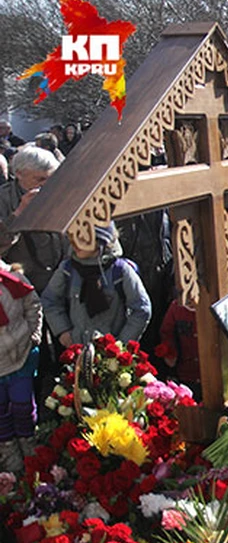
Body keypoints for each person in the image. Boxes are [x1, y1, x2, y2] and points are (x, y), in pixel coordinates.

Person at [41, 223, 152, 346]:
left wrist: (121, 344)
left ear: (99, 241)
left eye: (82, 239)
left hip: (111, 353)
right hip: (77, 349)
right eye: (72, 237)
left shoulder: (120, 271)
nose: (74, 244)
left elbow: (142, 308)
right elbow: (49, 300)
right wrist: (63, 331)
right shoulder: (67, 269)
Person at [0, 147, 69, 293]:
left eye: (51, 179)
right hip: (24, 285)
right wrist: (19, 214)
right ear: (19, 174)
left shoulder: (59, 193)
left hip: (62, 282)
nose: (45, 185)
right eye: (40, 179)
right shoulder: (4, 199)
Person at [0, 259, 42, 473]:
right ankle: (9, 451)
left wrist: (34, 333)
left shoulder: (13, 280)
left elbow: (32, 304)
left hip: (21, 353)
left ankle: (29, 444)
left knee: (22, 405)